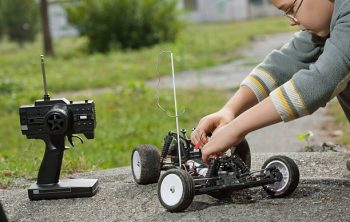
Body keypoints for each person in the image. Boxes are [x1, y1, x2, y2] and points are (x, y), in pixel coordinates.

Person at [191, 0, 350, 164]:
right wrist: (229, 110)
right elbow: (282, 65)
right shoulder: (328, 24)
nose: (292, 20)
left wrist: (236, 129)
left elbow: (320, 81)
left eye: (292, 9)